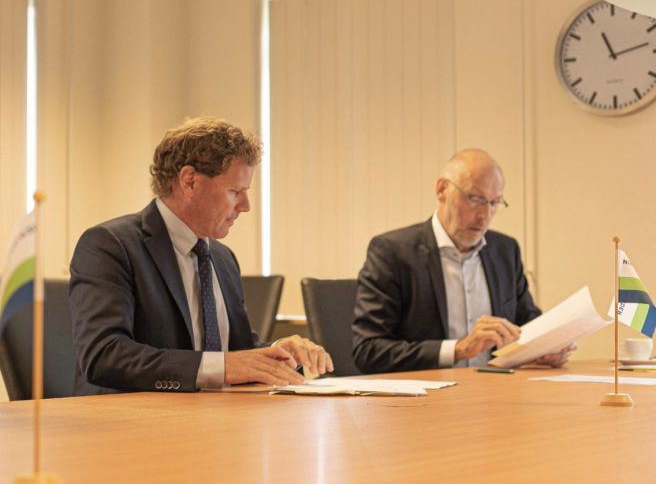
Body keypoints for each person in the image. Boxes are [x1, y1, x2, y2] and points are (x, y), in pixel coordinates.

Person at [69, 117, 333, 395]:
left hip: (214, 415)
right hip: (131, 416)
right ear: (190, 181)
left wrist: (277, 353)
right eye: (235, 191)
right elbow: (104, 355)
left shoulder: (222, 258)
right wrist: (223, 367)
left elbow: (236, 352)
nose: (246, 206)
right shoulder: (109, 245)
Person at [352, 149, 575, 374]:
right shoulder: (393, 252)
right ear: (442, 190)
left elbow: (527, 323)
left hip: (498, 388)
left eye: (494, 203)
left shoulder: (505, 251)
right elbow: (368, 350)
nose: (485, 215)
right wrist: (458, 349)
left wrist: (548, 347)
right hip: (429, 391)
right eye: (475, 199)